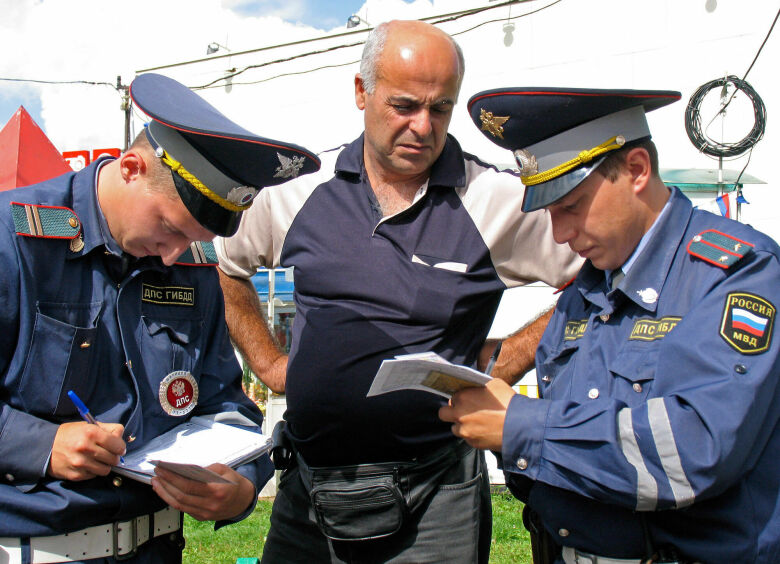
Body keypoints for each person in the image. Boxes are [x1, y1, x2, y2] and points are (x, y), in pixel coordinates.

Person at [216, 21, 582, 563]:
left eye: (441, 109)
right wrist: (269, 363)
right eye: (405, 105)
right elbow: (226, 266)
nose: (422, 126)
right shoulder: (297, 193)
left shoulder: (495, 199)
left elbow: (591, 278)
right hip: (308, 490)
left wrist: (507, 360)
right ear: (361, 92)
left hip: (435, 496)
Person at [441, 86, 780, 564]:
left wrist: (519, 427)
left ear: (637, 170)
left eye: (571, 206)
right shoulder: (586, 290)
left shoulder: (737, 273)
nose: (559, 234)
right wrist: (498, 426)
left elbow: (696, 451)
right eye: (550, 212)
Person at [0, 72, 319, 564]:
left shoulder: (193, 264)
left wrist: (242, 487)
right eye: (169, 228)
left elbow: (223, 402)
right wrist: (42, 445)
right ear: (130, 167)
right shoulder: (15, 242)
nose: (172, 257)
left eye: (190, 239)